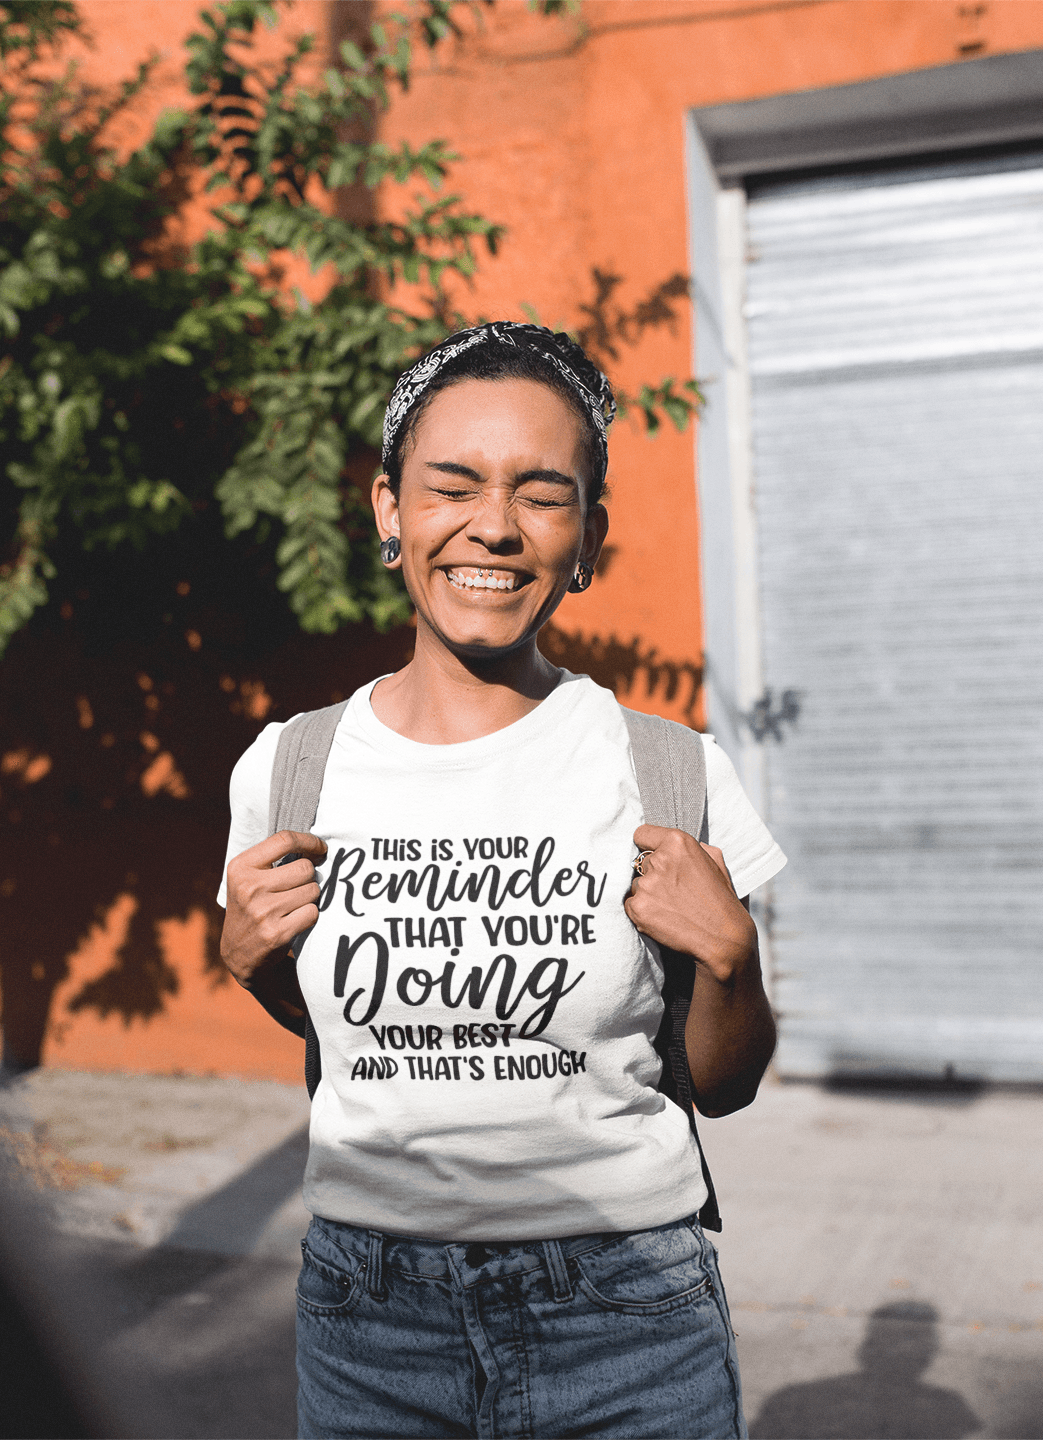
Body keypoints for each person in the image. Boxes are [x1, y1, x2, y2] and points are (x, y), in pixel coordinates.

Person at [216, 322, 785, 1439]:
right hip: (369, 1322)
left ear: (588, 537)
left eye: (542, 493)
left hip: (627, 1319)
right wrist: (252, 970)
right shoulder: (291, 768)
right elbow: (353, 1041)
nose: (494, 525)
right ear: (390, 510)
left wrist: (732, 957)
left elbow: (727, 1082)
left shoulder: (667, 766)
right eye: (453, 485)